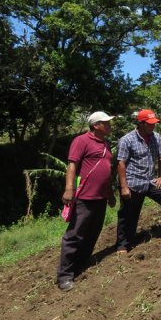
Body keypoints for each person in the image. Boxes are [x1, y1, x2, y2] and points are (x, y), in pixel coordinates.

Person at [57, 111, 117, 292]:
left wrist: (110, 194)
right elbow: (72, 165)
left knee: (93, 233)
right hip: (84, 197)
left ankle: (80, 265)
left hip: (100, 197)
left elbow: (106, 172)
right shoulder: (81, 141)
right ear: (96, 125)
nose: (109, 125)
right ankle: (65, 276)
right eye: (106, 123)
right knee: (75, 235)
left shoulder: (106, 144)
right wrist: (69, 189)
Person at [117, 110, 161, 253]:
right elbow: (121, 164)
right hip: (133, 182)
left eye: (154, 124)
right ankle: (123, 244)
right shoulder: (127, 140)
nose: (153, 127)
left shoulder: (156, 137)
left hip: (151, 181)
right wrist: (124, 186)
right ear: (141, 123)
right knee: (128, 214)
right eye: (150, 124)